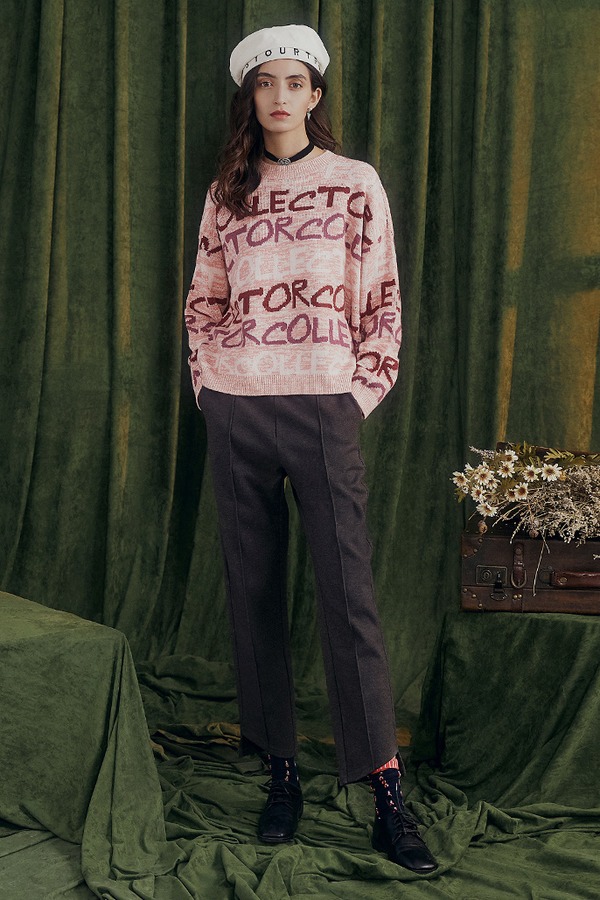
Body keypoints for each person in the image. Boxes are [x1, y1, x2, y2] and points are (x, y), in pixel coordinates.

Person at [184, 24, 437, 875]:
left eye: (295, 82)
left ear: (315, 95)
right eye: (266, 83)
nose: (280, 96)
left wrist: (354, 395)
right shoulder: (227, 190)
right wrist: (211, 390)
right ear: (250, 97)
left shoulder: (354, 183)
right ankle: (281, 774)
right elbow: (203, 301)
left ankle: (386, 792)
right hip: (239, 407)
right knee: (253, 593)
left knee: (349, 598)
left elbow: (384, 304)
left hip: (324, 407)